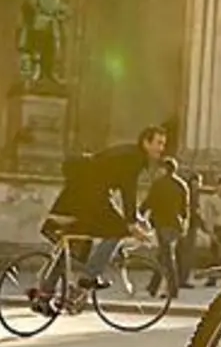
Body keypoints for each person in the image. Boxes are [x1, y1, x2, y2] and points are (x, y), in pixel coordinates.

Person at [43, 124, 166, 296]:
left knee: (74, 239)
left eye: (163, 144)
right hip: (90, 195)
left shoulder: (129, 153)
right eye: (158, 143)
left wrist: (136, 217)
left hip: (79, 194)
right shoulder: (134, 158)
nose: (161, 148)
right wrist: (131, 224)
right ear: (146, 142)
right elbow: (128, 190)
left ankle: (45, 291)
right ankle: (89, 276)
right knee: (117, 230)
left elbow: (124, 192)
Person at [140, 157, 190, 299]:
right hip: (176, 224)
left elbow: (148, 202)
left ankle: (173, 290)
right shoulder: (182, 185)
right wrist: (185, 224)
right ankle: (153, 287)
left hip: (162, 223)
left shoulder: (159, 184)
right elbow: (185, 209)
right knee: (163, 255)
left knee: (167, 257)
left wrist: (139, 214)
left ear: (164, 169)